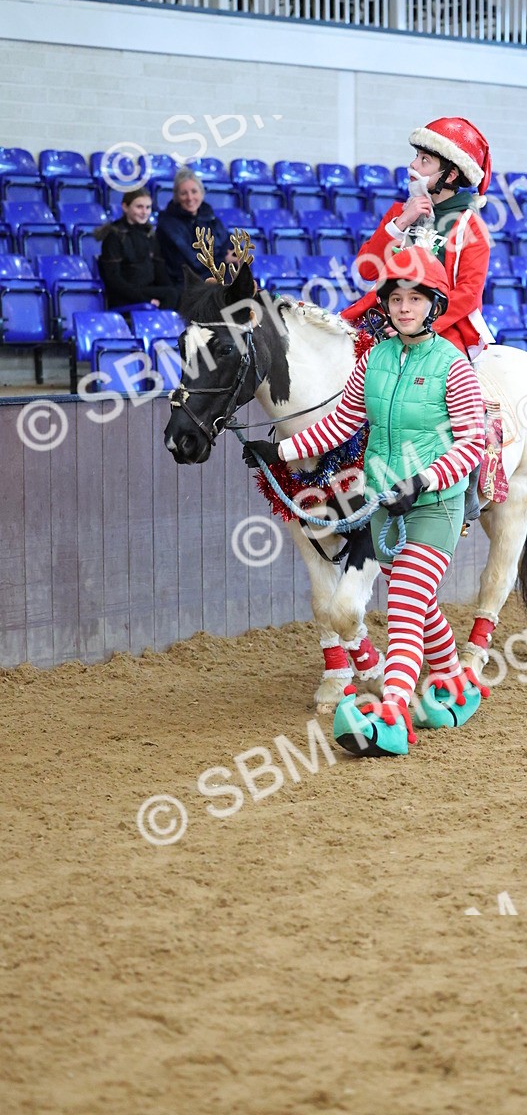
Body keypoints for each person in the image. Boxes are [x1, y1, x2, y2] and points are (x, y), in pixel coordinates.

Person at [242, 247, 488, 758]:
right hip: (383, 499)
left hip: (433, 502)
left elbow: (470, 441)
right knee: (415, 598)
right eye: (396, 298)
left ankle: (393, 709)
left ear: (434, 304)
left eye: (414, 299)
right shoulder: (373, 359)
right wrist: (280, 450)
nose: (403, 307)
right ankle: (451, 677)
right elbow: (340, 424)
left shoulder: (453, 366)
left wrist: (422, 481)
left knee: (401, 605)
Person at [342, 116, 495, 360]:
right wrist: (401, 223)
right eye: (416, 156)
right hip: (380, 318)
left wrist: (417, 326)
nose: (412, 165)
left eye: (425, 160)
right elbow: (367, 270)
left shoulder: (472, 227)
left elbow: (468, 294)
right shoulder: (399, 213)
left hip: (439, 327)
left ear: (451, 174)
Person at [96, 188, 181, 311]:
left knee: (178, 292)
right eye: (139, 207)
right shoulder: (114, 236)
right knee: (171, 294)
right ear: (125, 207)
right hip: (123, 295)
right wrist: (144, 300)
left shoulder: (149, 234)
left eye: (148, 207)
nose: (144, 212)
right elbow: (114, 280)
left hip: (146, 290)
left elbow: (160, 271)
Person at [156, 167, 232, 288]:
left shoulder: (210, 218)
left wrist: (236, 255)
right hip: (186, 283)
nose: (190, 198)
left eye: (194, 191)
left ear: (202, 194)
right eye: (183, 193)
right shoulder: (168, 223)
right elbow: (193, 262)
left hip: (215, 277)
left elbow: (228, 243)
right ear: (176, 197)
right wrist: (224, 259)